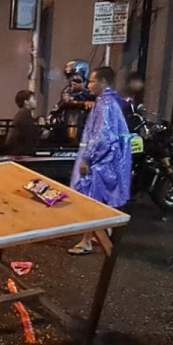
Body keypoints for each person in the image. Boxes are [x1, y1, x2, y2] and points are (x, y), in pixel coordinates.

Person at [69, 66, 133, 255]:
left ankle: (87, 240)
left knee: (91, 199)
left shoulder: (105, 104)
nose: (89, 85)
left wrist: (87, 159)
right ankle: (101, 234)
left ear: (103, 82)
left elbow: (102, 136)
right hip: (109, 160)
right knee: (101, 200)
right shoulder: (110, 102)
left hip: (100, 162)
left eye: (92, 81)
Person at [6, 89, 42, 156]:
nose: (35, 101)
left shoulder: (22, 113)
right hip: (20, 150)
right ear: (26, 102)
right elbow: (32, 132)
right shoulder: (25, 113)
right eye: (33, 99)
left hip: (19, 148)